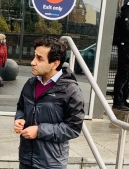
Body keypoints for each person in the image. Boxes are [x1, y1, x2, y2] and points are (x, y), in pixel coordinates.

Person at [14, 36, 85, 169]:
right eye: (34, 56)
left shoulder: (70, 91)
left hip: (51, 163)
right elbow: (21, 108)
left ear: (55, 64)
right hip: (25, 158)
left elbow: (73, 128)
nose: (33, 62)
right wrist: (19, 119)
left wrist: (39, 130)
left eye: (39, 58)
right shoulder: (30, 84)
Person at [113, 0, 129, 111]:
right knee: (123, 73)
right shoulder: (126, 12)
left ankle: (123, 100)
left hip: (127, 46)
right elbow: (126, 28)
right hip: (126, 47)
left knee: (126, 75)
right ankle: (118, 101)